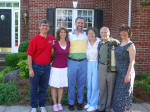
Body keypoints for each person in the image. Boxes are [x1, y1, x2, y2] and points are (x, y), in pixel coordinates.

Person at [27, 19, 55, 112]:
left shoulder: (51, 39)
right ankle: (34, 106)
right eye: (43, 25)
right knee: (34, 88)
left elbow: (52, 51)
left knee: (43, 88)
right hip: (36, 67)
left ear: (48, 28)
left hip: (47, 67)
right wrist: (30, 69)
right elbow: (29, 55)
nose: (45, 27)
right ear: (39, 27)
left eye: (46, 26)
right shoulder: (34, 40)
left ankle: (42, 105)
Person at [112, 25, 136, 112]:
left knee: (124, 93)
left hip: (126, 72)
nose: (123, 33)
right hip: (119, 73)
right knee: (118, 93)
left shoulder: (131, 45)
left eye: (125, 31)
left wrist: (128, 75)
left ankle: (124, 110)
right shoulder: (120, 43)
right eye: (121, 31)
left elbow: (132, 61)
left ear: (129, 33)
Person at [97, 26, 120, 112]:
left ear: (109, 33)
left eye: (105, 32)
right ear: (100, 34)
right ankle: (101, 107)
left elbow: (121, 53)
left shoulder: (115, 42)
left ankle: (108, 108)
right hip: (101, 67)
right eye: (102, 32)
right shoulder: (100, 43)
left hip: (111, 68)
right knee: (102, 88)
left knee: (110, 89)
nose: (104, 34)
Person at [67, 17, 87, 111]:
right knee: (71, 84)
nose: (80, 24)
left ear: (84, 25)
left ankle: (80, 102)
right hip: (72, 62)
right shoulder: (69, 35)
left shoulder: (86, 35)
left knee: (81, 84)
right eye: (79, 23)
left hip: (83, 62)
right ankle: (71, 103)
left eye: (82, 23)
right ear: (75, 24)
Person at [48, 27, 70, 112]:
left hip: (64, 68)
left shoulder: (68, 43)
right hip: (55, 68)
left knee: (61, 86)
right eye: (61, 32)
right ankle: (54, 103)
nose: (63, 34)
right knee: (54, 86)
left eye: (64, 32)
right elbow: (49, 54)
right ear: (58, 34)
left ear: (66, 34)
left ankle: (59, 103)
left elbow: (69, 55)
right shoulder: (55, 43)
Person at [84, 28, 100, 112]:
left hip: (96, 64)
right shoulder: (86, 43)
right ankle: (89, 102)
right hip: (88, 64)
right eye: (89, 33)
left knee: (95, 85)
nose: (91, 35)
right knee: (89, 84)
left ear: (95, 33)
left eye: (93, 33)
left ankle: (94, 104)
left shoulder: (99, 42)